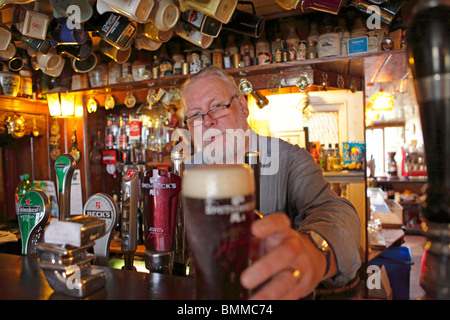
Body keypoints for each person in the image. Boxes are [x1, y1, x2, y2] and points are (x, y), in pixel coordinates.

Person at [179, 67, 361, 300]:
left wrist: (314, 250)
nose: (207, 121)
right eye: (195, 114)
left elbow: (333, 210)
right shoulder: (188, 171)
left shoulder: (289, 159)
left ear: (243, 106)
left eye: (216, 106)